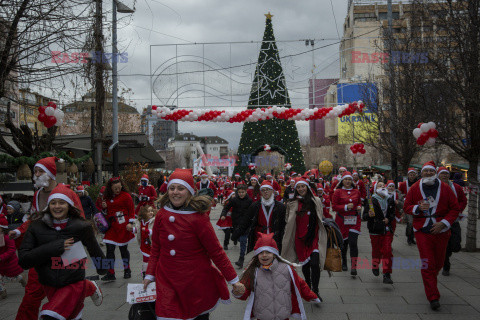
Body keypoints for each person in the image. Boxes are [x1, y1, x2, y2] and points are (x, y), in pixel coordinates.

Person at [143, 168, 244, 320]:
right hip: (166, 280)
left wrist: (234, 280)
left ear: (190, 191)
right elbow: (156, 248)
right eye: (172, 188)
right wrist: (149, 275)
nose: (175, 192)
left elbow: (216, 251)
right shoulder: (162, 215)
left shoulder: (199, 218)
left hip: (195, 283)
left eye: (180, 188)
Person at [18, 184, 106, 319]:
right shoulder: (36, 226)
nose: (57, 206)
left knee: (51, 315)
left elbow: (94, 249)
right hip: (48, 282)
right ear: (48, 205)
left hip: (73, 281)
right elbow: (24, 260)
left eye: (61, 202)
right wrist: (55, 247)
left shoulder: (81, 226)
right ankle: (88, 286)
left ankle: (85, 286)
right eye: (53, 203)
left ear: (69, 205)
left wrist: (104, 268)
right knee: (71, 316)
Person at [403, 161, 460, 310]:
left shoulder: (445, 188)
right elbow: (406, 206)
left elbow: (455, 208)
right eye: (425, 171)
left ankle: (430, 283)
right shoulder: (415, 188)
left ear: (435, 173)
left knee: (439, 263)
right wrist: (417, 207)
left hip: (441, 230)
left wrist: (444, 223)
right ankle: (433, 296)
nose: (428, 173)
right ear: (421, 173)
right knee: (428, 263)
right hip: (422, 230)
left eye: (431, 171)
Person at [233, 233, 321, 319]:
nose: (264, 255)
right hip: (263, 316)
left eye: (268, 252)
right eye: (261, 252)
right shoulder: (253, 271)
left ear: (274, 254)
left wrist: (312, 296)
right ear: (257, 255)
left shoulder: (286, 269)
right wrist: (238, 291)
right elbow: (244, 290)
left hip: (283, 315)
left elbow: (300, 284)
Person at [282, 178, 327, 301]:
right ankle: (308, 285)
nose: (301, 189)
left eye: (303, 186)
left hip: (313, 238)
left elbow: (321, 215)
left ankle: (316, 290)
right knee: (305, 266)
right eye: (298, 187)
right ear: (296, 189)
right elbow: (287, 219)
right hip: (299, 239)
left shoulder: (315, 200)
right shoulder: (292, 203)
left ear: (307, 187)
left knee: (315, 263)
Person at [232, 180, 286, 255]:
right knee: (260, 260)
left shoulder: (280, 207)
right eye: (263, 190)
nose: (265, 192)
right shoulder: (255, 206)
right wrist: (236, 234)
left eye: (268, 189)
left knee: (273, 261)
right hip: (259, 238)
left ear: (272, 191)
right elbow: (246, 221)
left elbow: (284, 224)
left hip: (274, 238)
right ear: (260, 192)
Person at [101, 177, 135, 281]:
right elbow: (103, 214)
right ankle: (110, 273)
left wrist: (130, 223)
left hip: (122, 225)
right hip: (111, 226)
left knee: (123, 249)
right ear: (110, 188)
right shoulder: (106, 197)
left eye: (119, 187)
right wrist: (104, 208)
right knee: (110, 250)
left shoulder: (126, 196)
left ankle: (127, 270)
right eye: (115, 188)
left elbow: (131, 210)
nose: (117, 190)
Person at [437, 167, 467, 276]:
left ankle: (448, 254)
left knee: (455, 244)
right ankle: (446, 265)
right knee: (444, 245)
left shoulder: (456, 187)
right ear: (438, 175)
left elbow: (463, 200)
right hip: (440, 221)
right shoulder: (434, 187)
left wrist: (458, 210)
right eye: (442, 173)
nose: (445, 175)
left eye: (446, 173)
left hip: (453, 220)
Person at [331, 171, 362, 276]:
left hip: (354, 221)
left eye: (349, 179)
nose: (348, 181)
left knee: (353, 243)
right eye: (346, 179)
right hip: (341, 221)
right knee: (343, 244)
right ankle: (344, 261)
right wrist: (345, 207)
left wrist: (359, 207)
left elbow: (359, 202)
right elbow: (334, 207)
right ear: (342, 181)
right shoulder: (338, 192)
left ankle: (354, 267)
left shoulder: (356, 191)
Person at [219, 184, 253, 268]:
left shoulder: (249, 201)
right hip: (236, 223)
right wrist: (223, 215)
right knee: (236, 238)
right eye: (239, 192)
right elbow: (226, 208)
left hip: (245, 224)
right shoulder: (234, 200)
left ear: (246, 192)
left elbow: (254, 211)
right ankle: (235, 238)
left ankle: (241, 259)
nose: (241, 194)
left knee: (243, 241)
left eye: (243, 192)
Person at [368, 182, 395, 284]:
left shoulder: (390, 199)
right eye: (380, 186)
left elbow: (392, 214)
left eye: (384, 185)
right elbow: (365, 215)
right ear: (375, 189)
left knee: (387, 251)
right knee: (376, 251)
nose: (383, 187)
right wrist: (369, 215)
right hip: (375, 229)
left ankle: (387, 274)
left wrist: (389, 219)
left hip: (386, 229)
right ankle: (375, 265)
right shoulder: (371, 200)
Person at [0, 215, 26, 299]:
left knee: (11, 278)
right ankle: (2, 290)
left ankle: (20, 278)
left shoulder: (7, 237)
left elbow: (12, 249)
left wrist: (2, 257)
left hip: (8, 262)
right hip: (1, 263)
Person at [133, 205, 155, 279]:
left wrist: (148, 231)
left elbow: (155, 231)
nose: (151, 212)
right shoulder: (140, 222)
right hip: (144, 245)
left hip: (152, 245)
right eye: (148, 211)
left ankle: (153, 273)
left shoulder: (154, 221)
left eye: (152, 211)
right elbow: (138, 230)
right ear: (144, 213)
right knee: (145, 260)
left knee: (152, 259)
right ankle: (145, 273)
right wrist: (133, 229)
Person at [399, 168, 419, 245]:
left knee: (415, 222)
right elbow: (400, 193)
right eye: (411, 174)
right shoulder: (404, 184)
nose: (412, 176)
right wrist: (403, 197)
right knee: (410, 222)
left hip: (416, 205)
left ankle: (412, 237)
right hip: (407, 205)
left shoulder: (418, 183)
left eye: (413, 175)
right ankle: (408, 237)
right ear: (408, 175)